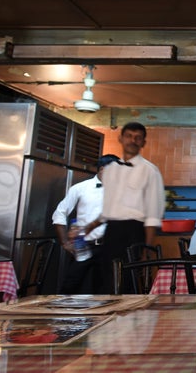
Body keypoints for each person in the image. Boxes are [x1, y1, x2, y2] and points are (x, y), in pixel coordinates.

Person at [85, 121, 165, 294]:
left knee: (129, 283)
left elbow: (153, 213)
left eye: (138, 138)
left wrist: (147, 248)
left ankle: (128, 320)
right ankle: (108, 319)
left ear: (143, 142)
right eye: (129, 136)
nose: (132, 140)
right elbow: (109, 208)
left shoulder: (150, 171)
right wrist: (89, 227)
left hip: (135, 232)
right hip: (112, 230)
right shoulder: (111, 170)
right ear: (121, 138)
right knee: (107, 282)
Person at [52, 154, 120, 294]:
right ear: (102, 169)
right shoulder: (80, 188)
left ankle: (102, 316)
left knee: (106, 289)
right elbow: (60, 213)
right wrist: (64, 242)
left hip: (110, 247)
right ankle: (65, 314)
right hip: (83, 245)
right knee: (72, 286)